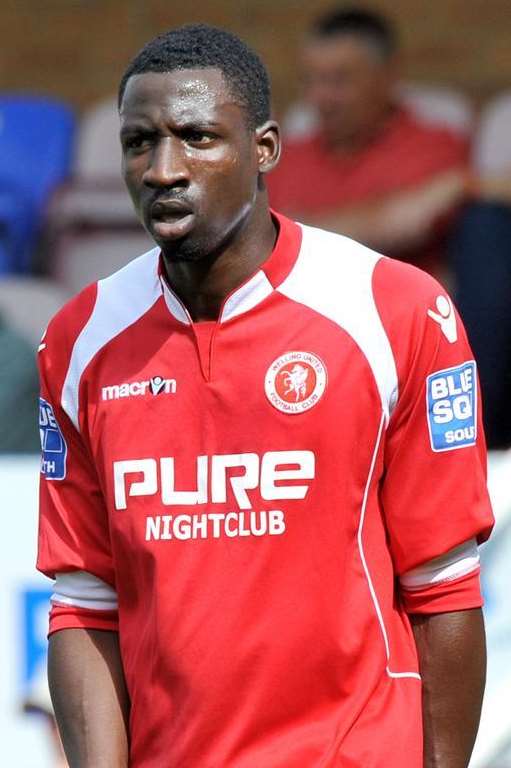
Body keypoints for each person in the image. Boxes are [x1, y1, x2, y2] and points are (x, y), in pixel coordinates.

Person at [36, 24, 494, 768]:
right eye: (138, 143)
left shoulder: (393, 310)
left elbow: (442, 589)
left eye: (197, 137)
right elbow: (86, 603)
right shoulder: (79, 337)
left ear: (265, 149)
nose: (162, 169)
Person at [267, 7, 471, 274]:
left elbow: (402, 229)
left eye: (339, 81)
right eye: (310, 80)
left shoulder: (433, 146)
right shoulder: (285, 157)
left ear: (388, 76)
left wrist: (292, 231)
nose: (321, 97)